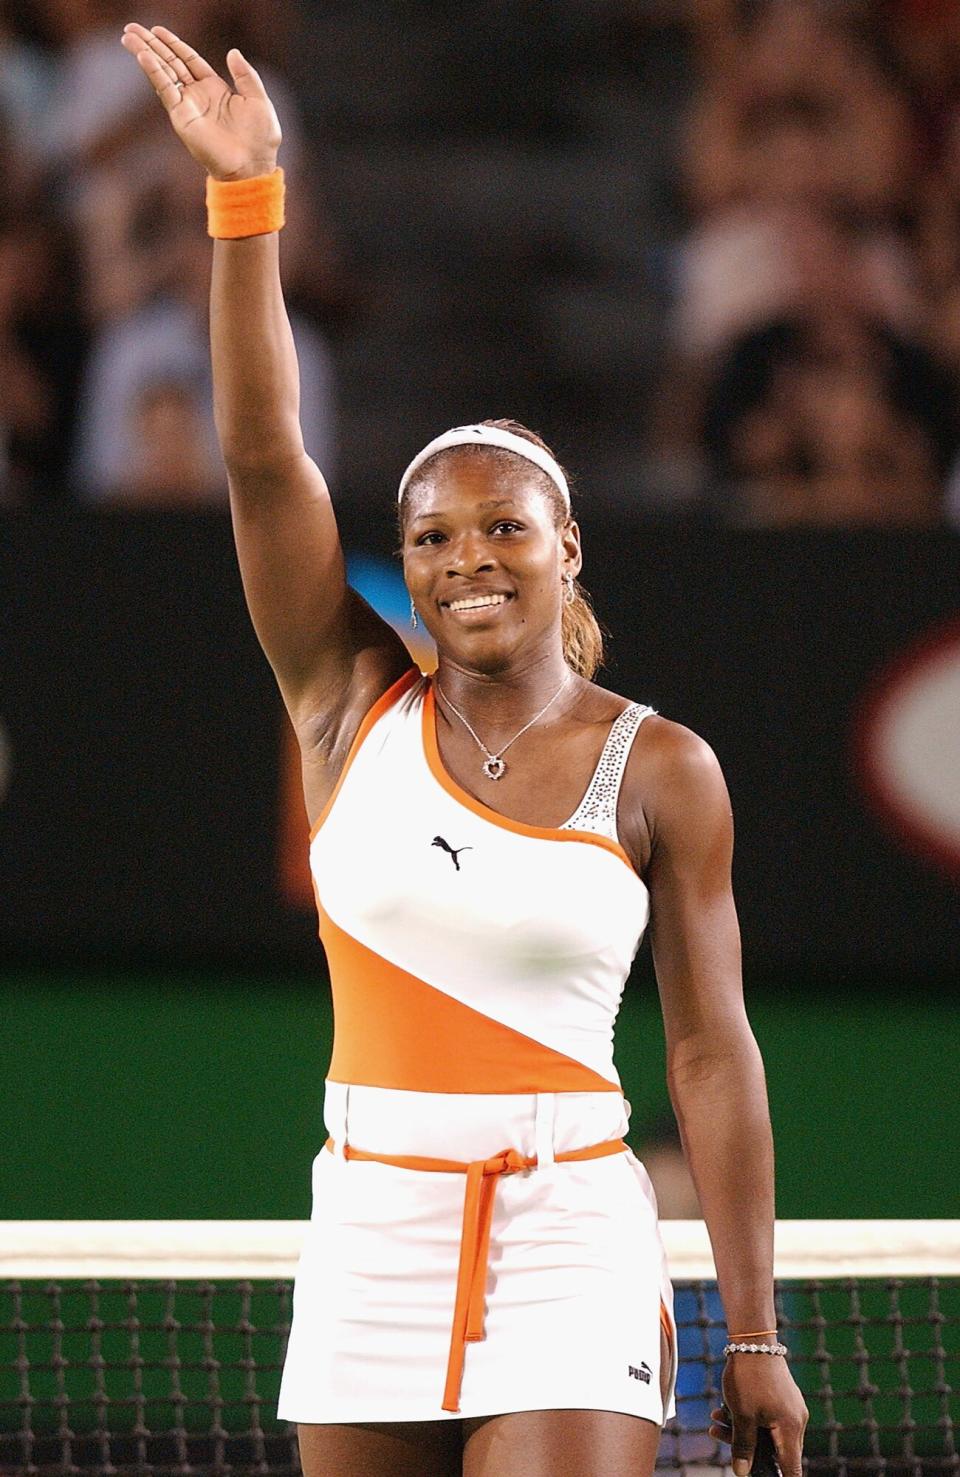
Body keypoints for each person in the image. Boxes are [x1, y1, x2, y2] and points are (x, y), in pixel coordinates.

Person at [120, 22, 809, 1477]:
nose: (467, 559)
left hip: (571, 1233)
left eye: (504, 527)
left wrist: (752, 1332)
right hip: (367, 1220)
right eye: (432, 534)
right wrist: (248, 206)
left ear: (568, 544)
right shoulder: (341, 698)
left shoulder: (664, 767)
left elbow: (711, 1052)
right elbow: (263, 457)